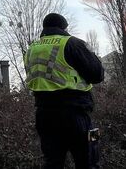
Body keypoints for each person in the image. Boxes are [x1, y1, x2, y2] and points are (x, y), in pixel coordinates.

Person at [23, 13, 104, 169]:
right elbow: (97, 74)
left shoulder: (32, 48)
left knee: (52, 163)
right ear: (64, 27)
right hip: (75, 113)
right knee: (88, 161)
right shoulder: (71, 43)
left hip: (44, 115)